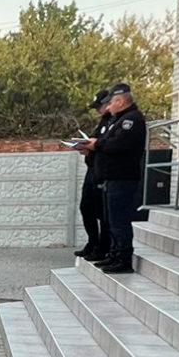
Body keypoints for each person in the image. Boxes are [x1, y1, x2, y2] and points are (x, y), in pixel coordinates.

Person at [85, 82, 145, 275]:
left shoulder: (131, 120)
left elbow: (117, 144)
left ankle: (123, 258)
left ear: (120, 101)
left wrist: (97, 144)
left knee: (119, 221)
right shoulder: (118, 120)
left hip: (122, 178)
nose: (108, 107)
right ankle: (114, 253)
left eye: (111, 102)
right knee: (111, 220)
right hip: (112, 178)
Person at [77, 90, 112, 262]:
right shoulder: (103, 122)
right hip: (93, 169)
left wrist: (93, 146)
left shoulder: (115, 122)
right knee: (86, 207)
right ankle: (93, 241)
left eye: (100, 106)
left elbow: (107, 145)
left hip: (104, 172)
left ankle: (103, 247)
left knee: (103, 212)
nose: (98, 110)